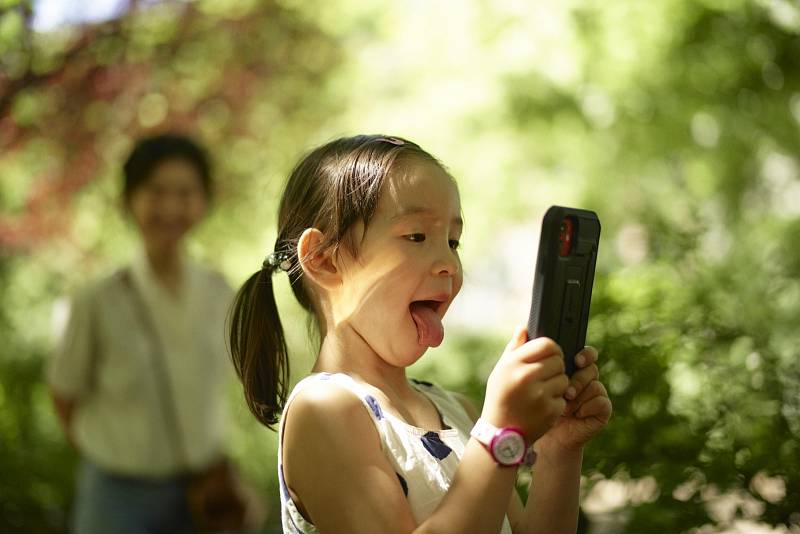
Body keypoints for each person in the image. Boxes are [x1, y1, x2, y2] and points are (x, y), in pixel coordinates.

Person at [228, 134, 613, 533]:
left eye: (453, 240)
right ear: (324, 260)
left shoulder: (459, 412)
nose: (449, 263)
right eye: (416, 236)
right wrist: (501, 435)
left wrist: (559, 453)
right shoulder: (324, 409)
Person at [48, 133, 236, 534]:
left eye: (185, 192)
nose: (170, 206)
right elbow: (64, 394)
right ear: (130, 200)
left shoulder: (220, 293)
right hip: (117, 498)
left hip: (202, 492)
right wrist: (111, 452)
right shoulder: (96, 300)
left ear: (203, 201)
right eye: (156, 191)